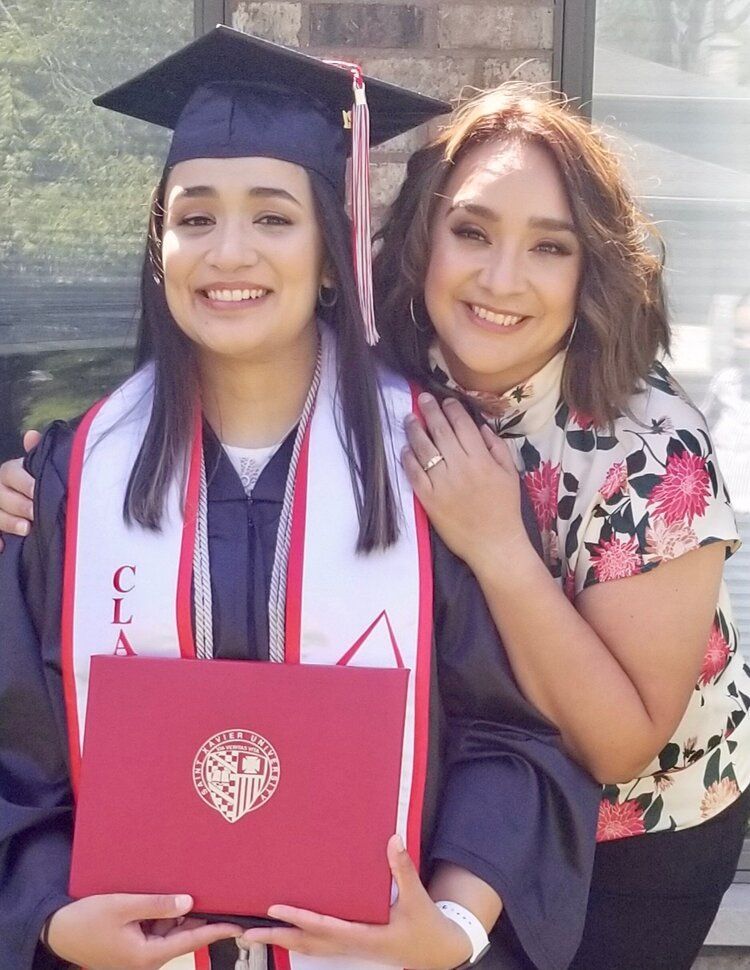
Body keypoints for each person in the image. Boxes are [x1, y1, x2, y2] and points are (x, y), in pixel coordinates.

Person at [0, 31, 599, 970]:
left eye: (273, 218)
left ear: (332, 252)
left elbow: (514, 735)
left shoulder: (433, 463)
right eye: (194, 219)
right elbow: (13, 747)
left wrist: (453, 927)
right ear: (161, 247)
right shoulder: (73, 479)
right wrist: (48, 918)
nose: (227, 251)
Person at [368, 88, 750, 970]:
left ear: (593, 269)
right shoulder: (378, 384)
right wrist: (41, 493)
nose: (501, 280)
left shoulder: (652, 449)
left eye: (550, 245)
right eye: (471, 232)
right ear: (425, 237)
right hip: (458, 804)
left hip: (633, 836)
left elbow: (618, 741)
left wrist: (497, 543)